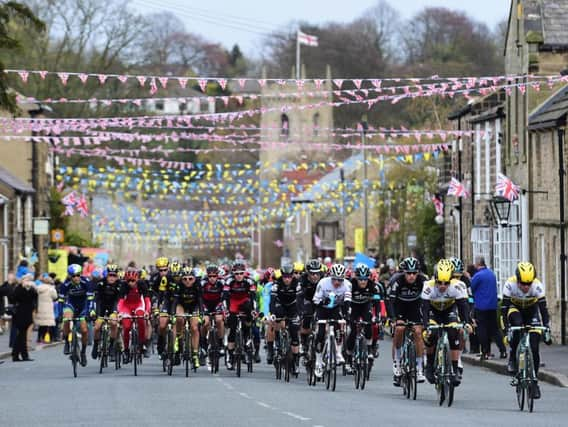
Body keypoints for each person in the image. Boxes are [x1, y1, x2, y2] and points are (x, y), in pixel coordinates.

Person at [502, 262, 551, 400]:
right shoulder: (509, 285)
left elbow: (544, 310)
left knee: (534, 347)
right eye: (522, 283)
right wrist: (506, 330)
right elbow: (503, 311)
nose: (525, 287)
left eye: (528, 284)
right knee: (516, 326)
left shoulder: (538, 286)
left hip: (531, 311)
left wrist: (546, 327)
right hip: (514, 309)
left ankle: (534, 383)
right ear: (517, 280)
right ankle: (512, 358)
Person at [422, 260, 472, 386]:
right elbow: (425, 309)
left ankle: (454, 369)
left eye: (446, 283)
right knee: (431, 334)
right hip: (433, 311)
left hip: (449, 310)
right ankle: (429, 365)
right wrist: (425, 326)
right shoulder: (428, 286)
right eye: (439, 283)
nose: (443, 286)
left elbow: (463, 306)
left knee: (454, 332)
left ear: (451, 280)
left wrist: (466, 322)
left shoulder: (458, 286)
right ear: (435, 279)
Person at [388, 256, 429, 385]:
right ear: (403, 273)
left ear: (418, 273)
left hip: (415, 307)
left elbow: (428, 301)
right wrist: (393, 319)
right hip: (400, 307)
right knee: (400, 329)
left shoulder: (423, 280)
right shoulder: (397, 281)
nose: (411, 276)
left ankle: (418, 368)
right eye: (408, 273)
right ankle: (398, 362)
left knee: (418, 332)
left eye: (414, 273)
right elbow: (390, 302)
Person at [313, 263, 352, 378]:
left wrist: (346, 316)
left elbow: (347, 302)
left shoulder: (347, 285)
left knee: (339, 329)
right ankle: (318, 362)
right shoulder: (323, 283)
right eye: (335, 279)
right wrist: (322, 303)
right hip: (322, 308)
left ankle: (338, 353)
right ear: (331, 277)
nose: (337, 282)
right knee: (320, 334)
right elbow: (316, 300)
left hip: (335, 308)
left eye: (340, 280)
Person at [346, 263, 381, 372]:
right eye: (360, 279)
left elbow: (377, 303)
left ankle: (370, 349)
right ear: (356, 278)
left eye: (365, 279)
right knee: (352, 331)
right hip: (354, 306)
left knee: (369, 324)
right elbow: (345, 301)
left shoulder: (373, 286)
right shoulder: (350, 285)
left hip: (366, 306)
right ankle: (349, 358)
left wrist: (378, 316)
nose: (362, 282)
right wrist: (346, 314)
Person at [470, 256, 507, 360]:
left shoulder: (477, 276)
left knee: (482, 329)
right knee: (495, 329)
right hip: (492, 305)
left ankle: (485, 352)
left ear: (477, 264)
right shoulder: (491, 274)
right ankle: (503, 350)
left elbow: (471, 288)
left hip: (481, 306)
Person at [223, 261, 256, 370]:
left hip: (244, 301)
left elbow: (253, 298)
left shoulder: (250, 281)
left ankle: (247, 347)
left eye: (241, 273)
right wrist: (226, 311)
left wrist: (254, 310)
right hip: (233, 302)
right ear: (233, 274)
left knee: (248, 322)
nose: (239, 276)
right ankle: (230, 357)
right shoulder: (229, 281)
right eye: (236, 274)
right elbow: (225, 297)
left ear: (244, 273)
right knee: (232, 329)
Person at [59, 264, 94, 367]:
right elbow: (61, 301)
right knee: (67, 318)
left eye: (78, 275)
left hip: (83, 306)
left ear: (80, 274)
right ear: (70, 276)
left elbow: (90, 300)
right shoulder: (65, 285)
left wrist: (90, 312)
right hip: (71, 305)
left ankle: (83, 352)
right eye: (73, 276)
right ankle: (66, 342)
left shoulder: (86, 282)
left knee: (84, 330)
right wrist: (61, 313)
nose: (76, 278)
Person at [268, 264, 301, 373]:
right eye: (285, 277)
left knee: (294, 333)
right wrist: (272, 313)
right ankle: (277, 342)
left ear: (292, 276)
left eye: (289, 277)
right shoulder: (276, 285)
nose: (287, 279)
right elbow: (272, 301)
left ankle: (296, 362)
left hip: (292, 306)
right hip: (280, 305)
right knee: (277, 318)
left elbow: (301, 299)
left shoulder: (297, 284)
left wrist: (300, 314)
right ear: (282, 276)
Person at [118, 269, 151, 363]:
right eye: (128, 281)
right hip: (126, 306)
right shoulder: (124, 285)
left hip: (138, 305)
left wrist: (147, 311)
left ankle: (141, 344)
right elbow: (120, 301)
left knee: (141, 320)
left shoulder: (142, 284)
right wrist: (120, 312)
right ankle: (126, 350)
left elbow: (147, 299)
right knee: (127, 326)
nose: (130, 283)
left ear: (137, 279)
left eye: (133, 281)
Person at [173, 266, 202, 368]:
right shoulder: (179, 285)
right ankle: (179, 337)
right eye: (185, 279)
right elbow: (175, 301)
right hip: (181, 305)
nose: (188, 281)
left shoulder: (197, 285)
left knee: (194, 327)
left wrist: (201, 314)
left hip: (194, 306)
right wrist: (173, 314)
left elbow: (200, 301)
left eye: (190, 279)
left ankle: (195, 354)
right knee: (179, 318)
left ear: (194, 279)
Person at [91, 264, 121, 360]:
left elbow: (121, 301)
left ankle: (112, 345)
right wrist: (93, 310)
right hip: (101, 305)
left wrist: (120, 312)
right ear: (106, 275)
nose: (112, 278)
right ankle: (95, 346)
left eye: (114, 275)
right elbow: (95, 298)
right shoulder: (101, 283)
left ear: (117, 276)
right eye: (110, 275)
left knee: (113, 323)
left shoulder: (120, 284)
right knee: (97, 327)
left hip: (113, 305)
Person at [200, 264, 226, 359]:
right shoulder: (203, 283)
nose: (212, 278)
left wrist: (223, 306)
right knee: (205, 322)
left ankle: (220, 343)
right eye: (210, 276)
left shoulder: (221, 282)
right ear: (207, 276)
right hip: (206, 304)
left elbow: (226, 295)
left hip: (217, 303)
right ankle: (203, 343)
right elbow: (200, 297)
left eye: (214, 276)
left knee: (219, 320)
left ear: (217, 276)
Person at [297, 259, 323, 357]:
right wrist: (300, 312)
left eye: (317, 273)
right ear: (307, 273)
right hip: (307, 299)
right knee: (307, 315)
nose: (315, 276)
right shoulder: (302, 280)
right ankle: (303, 342)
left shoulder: (324, 278)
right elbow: (299, 297)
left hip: (320, 300)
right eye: (312, 273)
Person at [11, 274, 38, 361]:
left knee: (21, 336)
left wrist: (32, 288)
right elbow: (14, 298)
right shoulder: (18, 288)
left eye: (29, 280)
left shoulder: (30, 289)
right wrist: (22, 287)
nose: (28, 282)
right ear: (22, 280)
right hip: (20, 314)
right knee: (21, 336)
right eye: (26, 280)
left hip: (28, 314)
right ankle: (21, 355)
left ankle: (17, 355)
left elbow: (35, 297)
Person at [35, 274, 58, 344]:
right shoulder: (51, 289)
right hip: (48, 308)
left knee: (41, 324)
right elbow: (55, 296)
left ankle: (39, 338)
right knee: (49, 324)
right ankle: (48, 338)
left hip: (40, 307)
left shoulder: (38, 288)